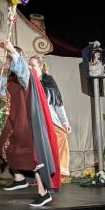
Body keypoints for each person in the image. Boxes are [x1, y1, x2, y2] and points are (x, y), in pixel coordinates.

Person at [0, 40, 60, 206]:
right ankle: (20, 179)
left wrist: (12, 50)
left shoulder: (26, 75)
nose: (7, 62)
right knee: (7, 148)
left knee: (33, 157)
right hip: (17, 121)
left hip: (27, 124)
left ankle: (43, 192)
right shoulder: (14, 78)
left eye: (9, 59)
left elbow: (22, 69)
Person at [29, 55, 72, 183]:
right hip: (35, 122)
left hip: (50, 121)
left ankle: (56, 175)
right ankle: (39, 177)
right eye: (29, 65)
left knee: (59, 141)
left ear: (40, 67)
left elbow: (57, 103)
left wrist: (65, 122)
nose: (30, 68)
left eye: (33, 65)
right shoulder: (29, 82)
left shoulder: (49, 81)